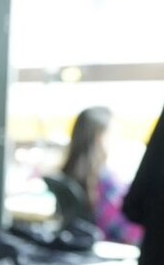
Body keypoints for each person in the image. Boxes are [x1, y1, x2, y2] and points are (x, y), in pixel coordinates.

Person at [60, 105, 143, 245]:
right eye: (114, 133)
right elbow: (124, 232)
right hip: (108, 249)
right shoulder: (104, 182)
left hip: (78, 247)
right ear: (100, 137)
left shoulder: (66, 175)